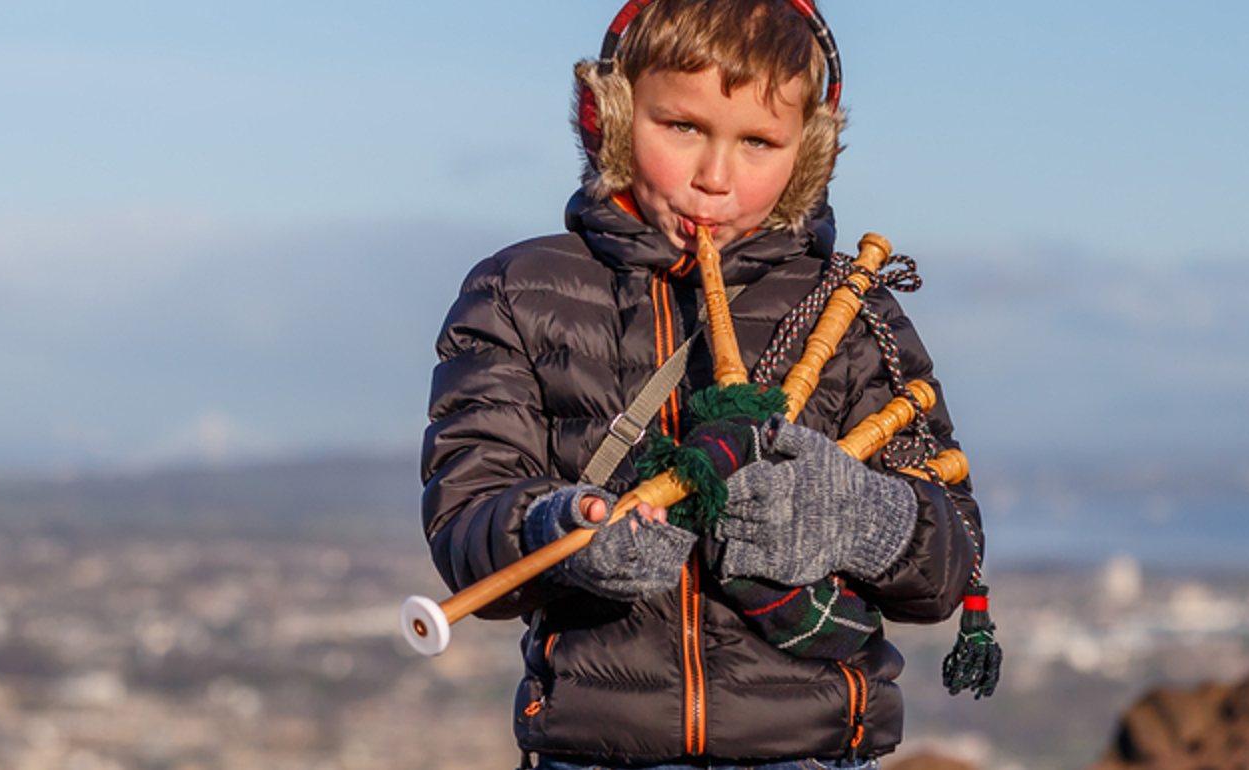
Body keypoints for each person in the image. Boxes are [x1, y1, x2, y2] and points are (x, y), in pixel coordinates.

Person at [419, 1, 983, 767]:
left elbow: (948, 565)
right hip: (597, 752)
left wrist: (861, 516)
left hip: (812, 753)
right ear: (612, 117)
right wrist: (563, 530)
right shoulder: (518, 290)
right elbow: (467, 519)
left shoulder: (851, 311)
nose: (715, 178)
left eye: (758, 141)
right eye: (681, 127)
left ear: (807, 153)